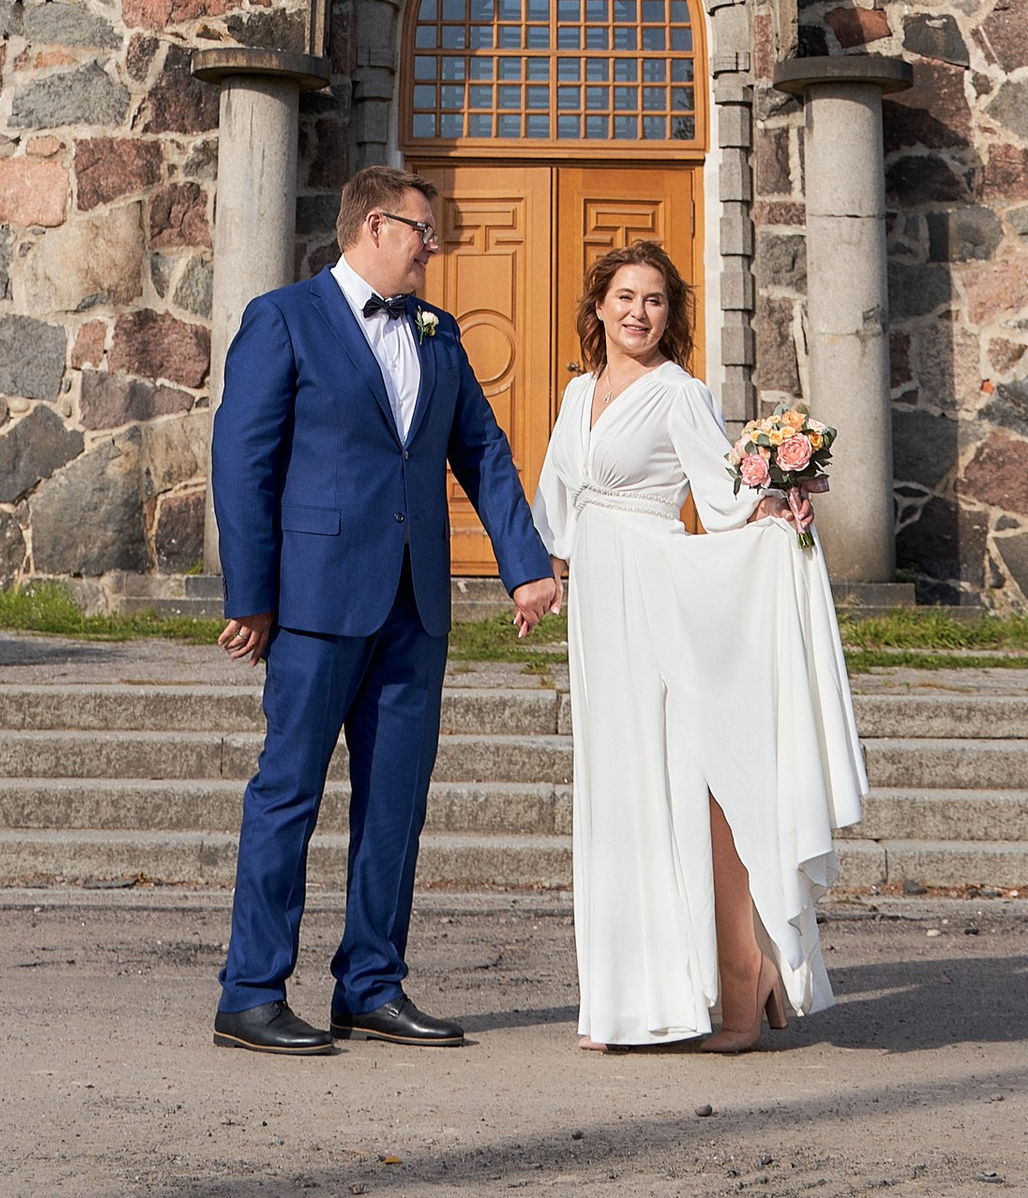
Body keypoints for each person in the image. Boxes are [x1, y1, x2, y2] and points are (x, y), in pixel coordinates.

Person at [210, 163, 559, 1056]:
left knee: (395, 802)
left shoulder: (438, 334)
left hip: (415, 604)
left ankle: (370, 982)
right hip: (317, 604)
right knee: (287, 791)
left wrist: (524, 566)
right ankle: (250, 991)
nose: (433, 247)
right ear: (374, 224)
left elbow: (480, 447)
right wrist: (252, 597)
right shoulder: (282, 318)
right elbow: (242, 463)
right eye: (422, 231)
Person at [535, 241, 868, 1052]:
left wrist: (774, 509)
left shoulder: (679, 393)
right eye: (624, 295)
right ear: (598, 307)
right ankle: (627, 1000)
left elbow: (721, 503)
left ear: (669, 314)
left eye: (653, 299)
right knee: (616, 793)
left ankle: (735, 982)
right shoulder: (577, 394)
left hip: (657, 590)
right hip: (596, 610)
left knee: (681, 782)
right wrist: (537, 579)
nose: (638, 311)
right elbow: (554, 506)